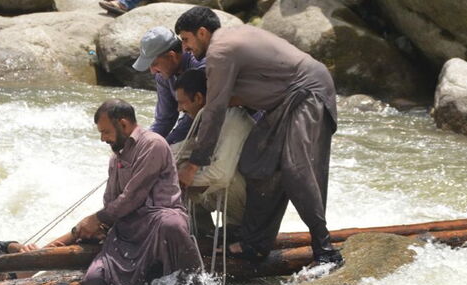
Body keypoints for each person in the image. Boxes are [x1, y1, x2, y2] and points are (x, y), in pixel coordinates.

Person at [174, 7, 343, 268]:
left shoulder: (220, 50)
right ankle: (256, 243)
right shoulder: (227, 42)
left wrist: (193, 165)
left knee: (295, 169)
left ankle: (325, 249)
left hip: (307, 91)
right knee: (256, 162)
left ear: (202, 32)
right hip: (283, 102)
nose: (185, 48)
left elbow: (215, 109)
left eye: (186, 39)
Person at [49, 99, 203, 285]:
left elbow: (133, 197)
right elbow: (110, 200)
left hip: (157, 221)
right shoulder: (116, 157)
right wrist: (100, 228)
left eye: (105, 132)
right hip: (128, 230)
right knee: (95, 278)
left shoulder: (153, 144)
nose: (103, 139)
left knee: (170, 224)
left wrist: (96, 219)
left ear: (123, 124)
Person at [171, 68, 254, 240]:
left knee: (212, 175)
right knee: (177, 164)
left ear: (199, 98)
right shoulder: (206, 119)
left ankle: (235, 231)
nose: (179, 109)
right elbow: (185, 150)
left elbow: (221, 175)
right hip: (225, 193)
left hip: (250, 204)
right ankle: (201, 234)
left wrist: (179, 182)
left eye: (182, 102)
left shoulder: (234, 118)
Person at [132, 26, 205, 145]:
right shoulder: (163, 76)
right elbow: (164, 120)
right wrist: (144, 144)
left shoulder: (199, 66)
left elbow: (192, 117)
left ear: (172, 56)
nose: (152, 71)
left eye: (154, 64)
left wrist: (166, 145)